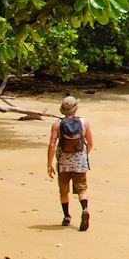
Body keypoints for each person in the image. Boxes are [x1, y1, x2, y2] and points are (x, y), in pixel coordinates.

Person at [47, 96, 93, 231]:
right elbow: (90, 143)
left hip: (63, 162)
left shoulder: (57, 124)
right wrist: (83, 156)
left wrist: (49, 164)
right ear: (76, 108)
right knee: (82, 189)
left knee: (63, 190)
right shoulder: (84, 123)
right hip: (79, 162)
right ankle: (84, 209)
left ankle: (67, 216)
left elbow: (51, 145)